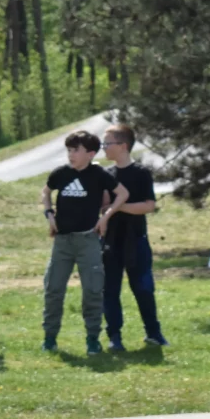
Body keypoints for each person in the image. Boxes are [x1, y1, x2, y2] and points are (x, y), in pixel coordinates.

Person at [41, 131, 130, 355]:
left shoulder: (98, 174)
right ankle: (49, 337)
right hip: (62, 241)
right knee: (53, 289)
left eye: (76, 151)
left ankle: (92, 338)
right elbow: (46, 192)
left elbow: (122, 194)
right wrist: (49, 214)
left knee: (92, 290)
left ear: (90, 154)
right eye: (69, 150)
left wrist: (104, 217)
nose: (71, 155)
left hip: (88, 240)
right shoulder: (61, 173)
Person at [100, 124, 167, 351]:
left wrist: (119, 207)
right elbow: (102, 207)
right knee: (110, 290)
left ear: (123, 146)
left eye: (108, 143)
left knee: (144, 288)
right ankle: (114, 336)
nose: (104, 148)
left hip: (136, 239)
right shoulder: (106, 175)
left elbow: (148, 206)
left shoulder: (141, 173)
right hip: (110, 241)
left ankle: (154, 333)